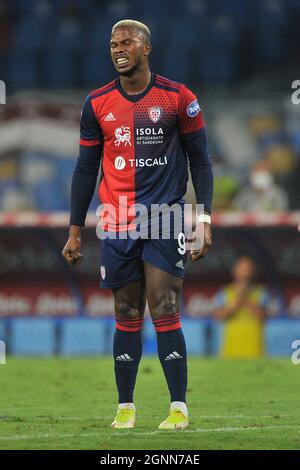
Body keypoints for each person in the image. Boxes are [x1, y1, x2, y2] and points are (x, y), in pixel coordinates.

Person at [62, 19, 213, 430]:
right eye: (113, 43)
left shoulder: (177, 98)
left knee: (164, 305)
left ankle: (178, 407)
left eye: (127, 42)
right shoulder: (96, 103)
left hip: (166, 218)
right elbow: (85, 167)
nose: (118, 48)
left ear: (146, 48)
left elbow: (200, 159)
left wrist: (203, 216)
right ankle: (125, 407)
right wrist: (75, 230)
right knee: (126, 310)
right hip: (117, 219)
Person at [213, 256, 269, 358]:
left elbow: (263, 317)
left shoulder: (261, 292)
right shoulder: (224, 292)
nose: (245, 273)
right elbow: (219, 316)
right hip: (230, 352)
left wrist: (246, 299)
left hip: (254, 351)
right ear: (235, 271)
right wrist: (237, 302)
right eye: (242, 270)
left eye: (248, 270)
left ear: (253, 272)